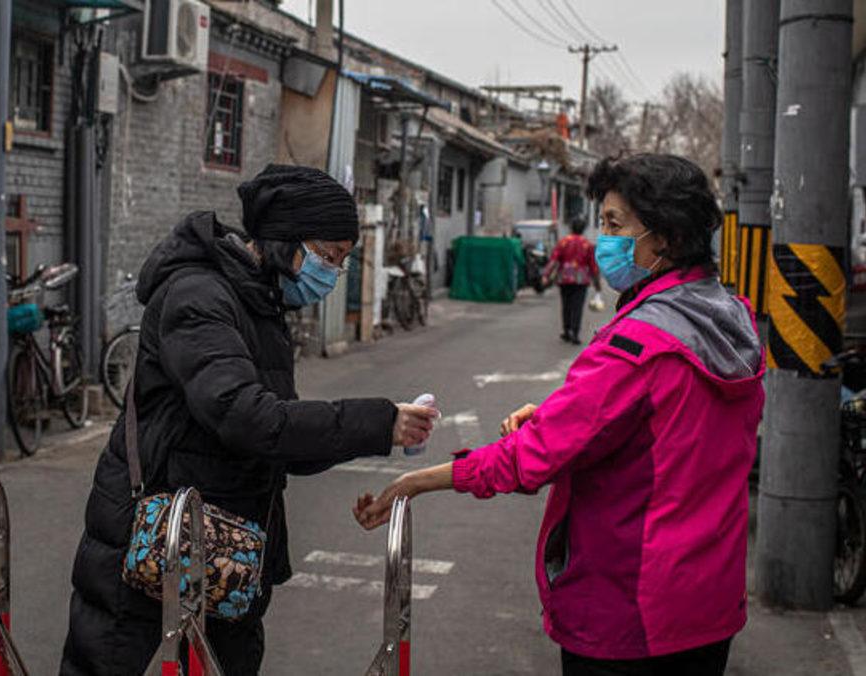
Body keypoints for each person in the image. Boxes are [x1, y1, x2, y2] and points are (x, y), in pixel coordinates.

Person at [353, 154, 764, 676]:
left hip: (632, 612)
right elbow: (667, 424)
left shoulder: (638, 344)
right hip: (709, 603)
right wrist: (558, 414)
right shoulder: (731, 320)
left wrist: (416, 480)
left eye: (615, 225)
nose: (603, 239)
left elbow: (530, 458)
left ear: (667, 238)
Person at [60, 164, 437, 675]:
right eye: (328, 256)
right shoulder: (198, 295)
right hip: (152, 533)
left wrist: (380, 429)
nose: (331, 273)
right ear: (285, 243)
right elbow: (248, 418)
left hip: (225, 545)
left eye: (342, 261)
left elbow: (276, 441)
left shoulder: (261, 303)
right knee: (106, 663)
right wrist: (377, 421)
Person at [542, 217, 602, 345]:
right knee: (577, 307)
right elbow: (593, 267)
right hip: (581, 280)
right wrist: (597, 285)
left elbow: (554, 261)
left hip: (564, 278)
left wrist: (546, 275)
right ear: (583, 229)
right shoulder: (588, 245)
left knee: (566, 305)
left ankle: (566, 331)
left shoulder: (563, 242)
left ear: (571, 228)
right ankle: (575, 333)